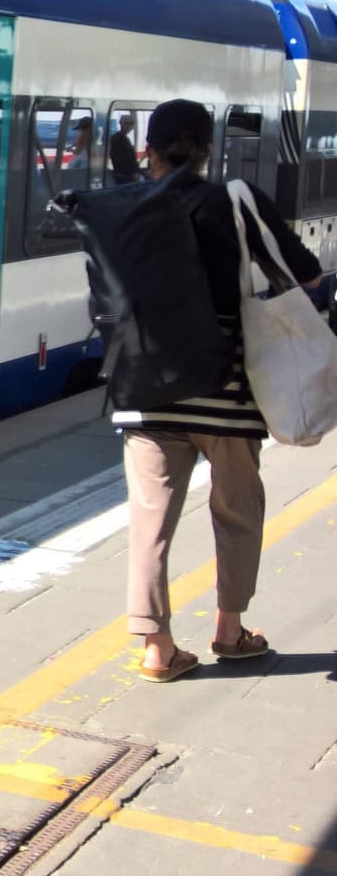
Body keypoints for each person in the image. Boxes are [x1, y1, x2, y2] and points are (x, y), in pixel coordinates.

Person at [115, 98, 322, 682]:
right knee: (237, 513)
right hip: (227, 391)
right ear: (208, 149)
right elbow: (305, 271)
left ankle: (156, 648)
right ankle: (229, 632)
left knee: (150, 522)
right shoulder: (235, 200)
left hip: (147, 387)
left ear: (146, 151)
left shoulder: (127, 204)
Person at [107, 111, 141, 185]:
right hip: (125, 176)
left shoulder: (124, 138)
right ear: (120, 123)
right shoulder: (117, 139)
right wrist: (133, 173)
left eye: (131, 123)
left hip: (126, 175)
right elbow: (122, 159)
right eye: (126, 123)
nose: (129, 126)